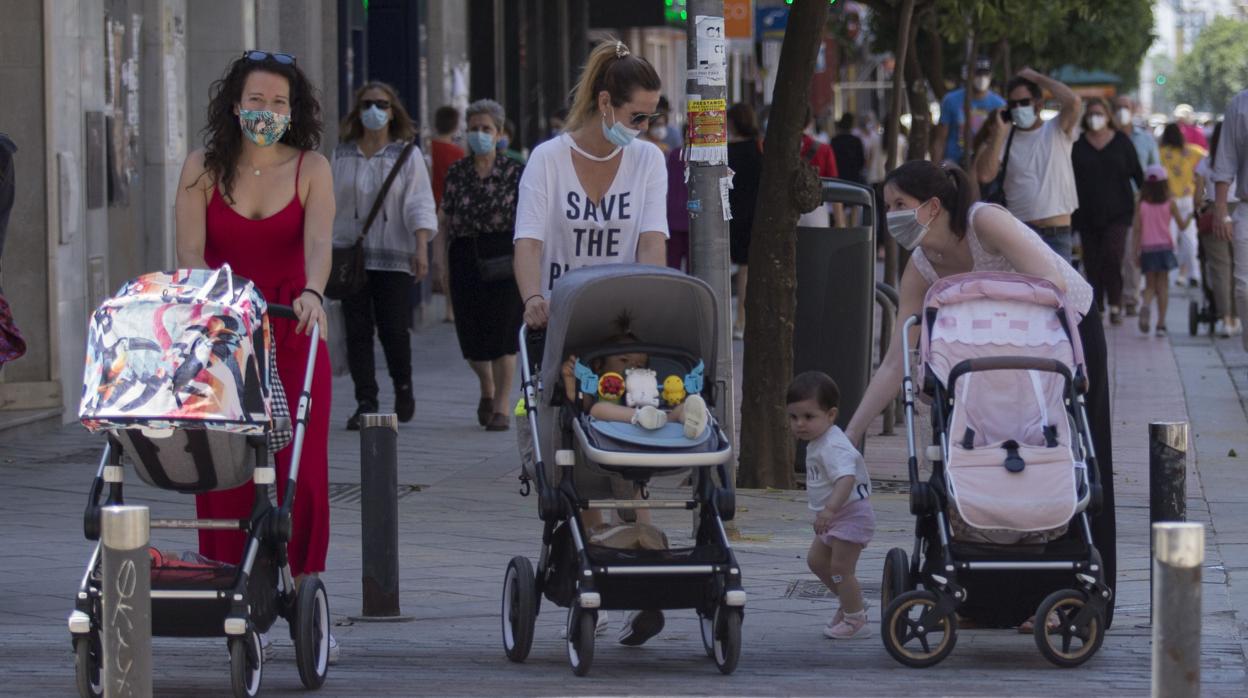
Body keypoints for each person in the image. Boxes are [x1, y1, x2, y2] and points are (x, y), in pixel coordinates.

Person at [843, 160, 1116, 629]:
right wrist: (852, 432)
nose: (892, 216)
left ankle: (1067, 597)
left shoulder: (984, 220)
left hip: (1061, 335)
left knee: (1059, 453)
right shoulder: (922, 267)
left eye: (899, 206)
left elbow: (1048, 288)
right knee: (988, 457)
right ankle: (987, 598)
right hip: (986, 355)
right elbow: (896, 359)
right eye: (887, 207)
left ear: (933, 206)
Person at [173, 50, 337, 660]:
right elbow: (190, 253)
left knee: (301, 473)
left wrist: (314, 291)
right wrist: (215, 308)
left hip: (294, 331)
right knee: (224, 469)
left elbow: (319, 239)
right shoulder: (202, 169)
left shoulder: (312, 168)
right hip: (224, 338)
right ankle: (228, 588)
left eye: (278, 103)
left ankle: (303, 592)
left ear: (293, 111)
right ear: (234, 104)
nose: (266, 112)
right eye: (256, 101)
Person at [514, 37, 668, 646]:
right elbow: (529, 240)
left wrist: (657, 308)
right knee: (572, 450)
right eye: (638, 116)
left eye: (652, 116)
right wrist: (532, 299)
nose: (647, 126)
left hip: (624, 325)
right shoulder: (549, 159)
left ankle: (644, 565)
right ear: (606, 104)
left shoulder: (648, 161)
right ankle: (598, 565)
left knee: (631, 441)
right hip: (559, 320)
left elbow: (652, 240)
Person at [332, 82, 437, 430]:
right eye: (366, 104)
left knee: (394, 329)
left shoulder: (407, 155)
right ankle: (366, 399)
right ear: (357, 111)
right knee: (357, 330)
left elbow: (420, 201)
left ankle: (402, 386)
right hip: (351, 257)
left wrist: (421, 246)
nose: (373, 111)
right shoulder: (342, 154)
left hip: (393, 256)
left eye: (381, 104)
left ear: (393, 112)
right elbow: (327, 203)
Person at [441, 99, 526, 431]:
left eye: (486, 129)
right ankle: (486, 386)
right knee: (472, 337)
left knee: (505, 333)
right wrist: (439, 265)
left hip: (505, 253)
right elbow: (445, 219)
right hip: (464, 253)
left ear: (499, 134)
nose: (479, 135)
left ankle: (502, 404)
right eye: (474, 129)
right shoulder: (457, 173)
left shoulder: (514, 171)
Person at [788, 371, 874, 640]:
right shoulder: (819, 441)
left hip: (850, 514)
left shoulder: (833, 445)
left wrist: (829, 511)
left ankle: (856, 620)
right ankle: (852, 601)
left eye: (808, 417)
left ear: (831, 415)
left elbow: (846, 478)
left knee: (840, 569)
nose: (800, 424)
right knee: (816, 561)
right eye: (793, 417)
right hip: (834, 516)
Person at [974, 68, 1082, 263]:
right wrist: (998, 134)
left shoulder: (1056, 129)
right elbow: (984, 175)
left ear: (1039, 104)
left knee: (1059, 293)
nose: (1018, 108)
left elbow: (1073, 102)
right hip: (1021, 234)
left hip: (1056, 234)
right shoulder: (1004, 137)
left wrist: (1037, 78)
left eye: (1024, 103)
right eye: (1013, 104)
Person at [1071, 97, 1144, 324]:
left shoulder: (1122, 141)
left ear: (1107, 116)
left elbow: (1138, 176)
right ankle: (1098, 305)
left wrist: (1146, 205)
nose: (1095, 117)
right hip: (1086, 213)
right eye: (1091, 113)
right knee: (1092, 261)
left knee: (1113, 256)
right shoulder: (1079, 145)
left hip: (1119, 213)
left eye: (1099, 113)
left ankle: (1115, 302)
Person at [559, 343, 708, 438]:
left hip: (662, 417)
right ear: (599, 365)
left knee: (681, 407)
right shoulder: (600, 387)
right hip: (622, 422)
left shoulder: (650, 385)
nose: (632, 367)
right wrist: (570, 380)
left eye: (639, 365)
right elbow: (582, 405)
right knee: (597, 408)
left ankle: (691, 421)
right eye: (624, 360)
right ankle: (641, 416)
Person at [1113, 95, 1162, 317]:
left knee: (1132, 248)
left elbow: (1155, 171)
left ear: (1133, 111)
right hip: (1108, 200)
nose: (1122, 111)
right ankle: (1111, 296)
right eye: (1118, 108)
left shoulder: (1145, 139)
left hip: (1136, 199)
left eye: (1126, 108)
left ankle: (1130, 297)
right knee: (1112, 250)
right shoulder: (1104, 137)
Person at [1195, 122, 1240, 337]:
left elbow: (1197, 198)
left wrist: (1201, 208)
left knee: (1220, 269)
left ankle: (1226, 318)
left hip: (1215, 213)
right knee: (1241, 268)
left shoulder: (1206, 163)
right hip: (1243, 210)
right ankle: (1240, 315)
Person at [1134, 165, 1190, 336]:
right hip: (1165, 248)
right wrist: (1191, 216)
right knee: (1163, 287)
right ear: (1165, 183)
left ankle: (1145, 306)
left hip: (1147, 249)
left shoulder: (1141, 204)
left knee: (1150, 286)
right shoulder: (1170, 203)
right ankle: (1160, 325)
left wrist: (1134, 252)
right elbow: (1182, 225)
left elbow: (1137, 230)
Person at [1212, 88, 1248, 352]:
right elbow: (1226, 160)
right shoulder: (1240, 104)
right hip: (1245, 209)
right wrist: (1221, 210)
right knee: (1245, 289)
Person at [726, 103, 763, 340]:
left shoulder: (726, 151)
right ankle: (742, 319)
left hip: (730, 213)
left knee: (735, 267)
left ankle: (737, 320)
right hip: (755, 214)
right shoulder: (759, 148)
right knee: (747, 269)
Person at [931, 56, 1007, 167]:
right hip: (954, 164)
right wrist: (935, 169)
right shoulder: (950, 100)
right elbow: (940, 140)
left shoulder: (1000, 104)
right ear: (968, 75)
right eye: (977, 74)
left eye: (985, 74)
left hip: (983, 166)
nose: (982, 78)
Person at [430, 105, 465, 323]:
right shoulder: (457, 153)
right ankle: (450, 308)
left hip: (431, 207)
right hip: (449, 210)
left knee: (436, 257)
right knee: (449, 261)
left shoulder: (429, 148)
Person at [1160, 123, 1207, 287]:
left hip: (1168, 200)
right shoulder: (1192, 151)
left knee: (1170, 239)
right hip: (1187, 200)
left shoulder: (1161, 153)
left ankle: (1169, 275)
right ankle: (1194, 273)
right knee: (1189, 239)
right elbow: (1207, 159)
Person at [799, 106, 840, 228]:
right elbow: (835, 189)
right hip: (816, 212)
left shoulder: (776, 152)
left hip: (783, 212)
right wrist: (840, 221)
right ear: (810, 121)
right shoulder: (823, 150)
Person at [664, 144, 689, 271]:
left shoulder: (675, 153)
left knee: (672, 267)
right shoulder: (706, 155)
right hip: (695, 220)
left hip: (673, 217)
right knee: (695, 270)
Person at [830, 112, 866, 184]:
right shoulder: (856, 141)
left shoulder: (834, 141)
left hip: (838, 179)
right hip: (853, 180)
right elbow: (861, 161)